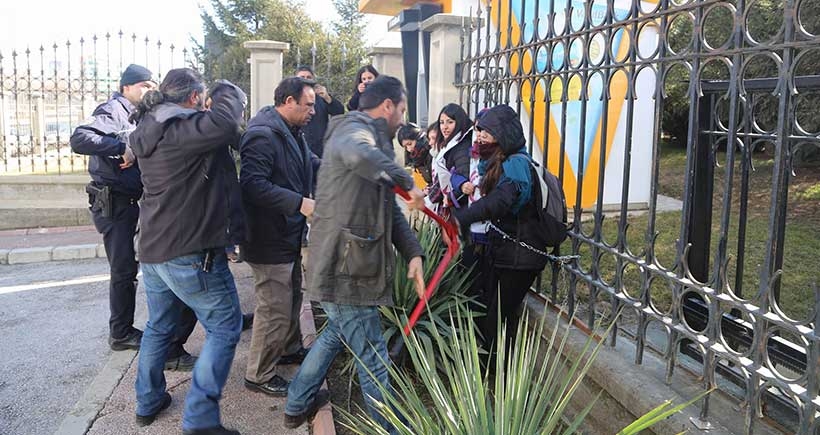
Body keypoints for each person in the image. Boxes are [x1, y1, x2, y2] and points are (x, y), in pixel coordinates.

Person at [284, 76, 426, 431]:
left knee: (335, 334)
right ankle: (386, 428)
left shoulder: (374, 142)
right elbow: (358, 153)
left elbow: (387, 208)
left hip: (344, 264)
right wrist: (408, 181)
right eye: (402, 110)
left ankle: (296, 403)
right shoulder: (354, 131)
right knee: (375, 357)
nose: (402, 119)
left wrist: (413, 252)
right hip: (344, 268)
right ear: (388, 106)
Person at [129, 68, 246, 435]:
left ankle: (148, 400)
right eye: (202, 97)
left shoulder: (151, 126)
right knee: (225, 326)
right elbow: (227, 122)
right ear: (195, 98)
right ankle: (199, 419)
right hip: (188, 250)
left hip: (153, 249)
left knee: (159, 325)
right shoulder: (181, 130)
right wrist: (225, 88)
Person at [69, 64, 198, 371]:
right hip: (112, 202)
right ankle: (121, 332)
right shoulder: (112, 109)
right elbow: (80, 138)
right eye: (143, 85)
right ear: (126, 87)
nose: (148, 90)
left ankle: (124, 329)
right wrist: (121, 148)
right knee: (124, 269)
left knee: (130, 268)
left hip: (130, 202)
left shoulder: (142, 113)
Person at [240, 76, 320, 397]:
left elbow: (307, 162)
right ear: (288, 101)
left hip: (288, 234)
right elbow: (252, 185)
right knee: (273, 307)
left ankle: (289, 349)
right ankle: (259, 374)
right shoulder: (262, 135)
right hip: (267, 237)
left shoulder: (291, 131)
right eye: (308, 104)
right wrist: (299, 202)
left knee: (291, 298)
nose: (313, 110)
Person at [452, 105, 550, 354]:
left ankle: (496, 375)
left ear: (503, 135)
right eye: (479, 133)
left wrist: (463, 217)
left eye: (487, 134)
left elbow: (501, 201)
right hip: (505, 253)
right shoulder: (499, 163)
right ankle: (487, 368)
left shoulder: (517, 166)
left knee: (498, 319)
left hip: (520, 259)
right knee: (489, 312)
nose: (481, 138)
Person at [294, 66, 344, 158]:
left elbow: (339, 112)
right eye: (302, 77)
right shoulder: (291, 98)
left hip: (320, 149)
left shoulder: (321, 97)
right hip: (298, 147)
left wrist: (327, 97)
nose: (305, 80)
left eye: (309, 77)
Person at [432, 103, 473, 211]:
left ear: (459, 122)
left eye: (450, 122)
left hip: (460, 207)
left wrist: (449, 197)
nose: (444, 127)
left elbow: (465, 180)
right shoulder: (449, 145)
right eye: (441, 122)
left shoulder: (462, 147)